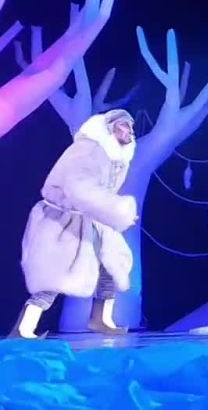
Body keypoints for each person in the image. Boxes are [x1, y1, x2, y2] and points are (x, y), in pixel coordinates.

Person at [12, 110, 139, 339]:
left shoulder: (116, 158)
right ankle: (24, 329)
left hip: (93, 219)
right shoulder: (88, 150)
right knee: (54, 275)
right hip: (63, 220)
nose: (128, 131)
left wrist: (111, 211)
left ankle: (101, 319)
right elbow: (80, 189)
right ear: (109, 128)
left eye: (130, 126)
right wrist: (117, 210)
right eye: (122, 126)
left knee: (113, 266)